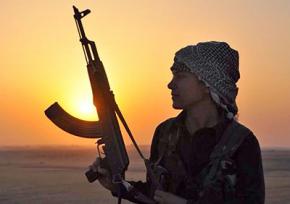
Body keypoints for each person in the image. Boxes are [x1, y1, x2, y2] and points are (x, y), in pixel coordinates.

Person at [90, 41, 265, 204]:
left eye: (180, 76)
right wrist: (118, 186)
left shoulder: (242, 142)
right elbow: (155, 193)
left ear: (207, 85)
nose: (170, 84)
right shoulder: (165, 133)